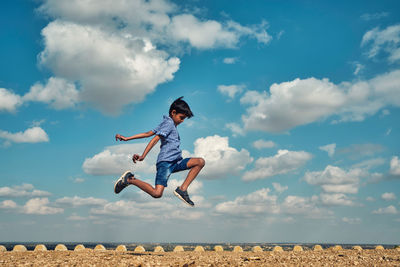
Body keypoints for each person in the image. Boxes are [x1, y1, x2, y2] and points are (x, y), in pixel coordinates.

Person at [113, 97, 205, 207]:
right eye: (181, 117)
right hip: (166, 163)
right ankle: (129, 179)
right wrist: (143, 155)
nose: (182, 121)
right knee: (157, 193)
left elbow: (147, 133)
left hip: (175, 162)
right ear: (173, 112)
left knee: (199, 162)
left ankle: (182, 189)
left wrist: (127, 138)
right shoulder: (169, 124)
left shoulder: (167, 123)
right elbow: (154, 139)